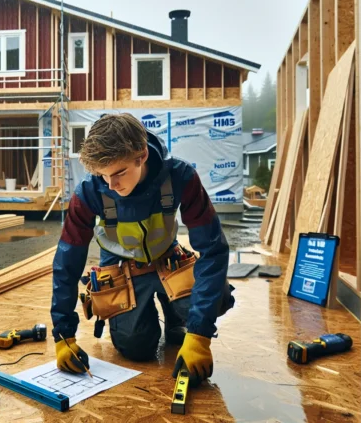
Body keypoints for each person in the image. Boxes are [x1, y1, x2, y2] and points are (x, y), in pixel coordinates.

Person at [50, 112, 235, 386]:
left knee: (217, 296)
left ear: (141, 155)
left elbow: (213, 250)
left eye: (119, 173)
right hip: (121, 272)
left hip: (168, 263)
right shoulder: (89, 192)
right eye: (102, 175)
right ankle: (156, 315)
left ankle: (177, 315)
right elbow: (67, 263)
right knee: (137, 348)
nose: (111, 185)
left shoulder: (180, 177)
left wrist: (200, 335)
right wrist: (63, 335)